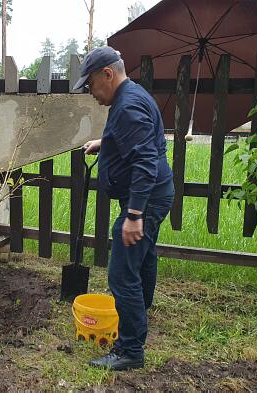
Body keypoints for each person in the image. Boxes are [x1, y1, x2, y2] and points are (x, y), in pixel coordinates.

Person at [75, 47, 174, 370]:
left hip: (145, 198)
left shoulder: (128, 105)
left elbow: (145, 160)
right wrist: (105, 143)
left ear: (108, 74)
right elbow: (144, 139)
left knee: (121, 273)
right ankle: (139, 318)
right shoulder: (133, 96)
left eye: (90, 84)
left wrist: (134, 215)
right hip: (155, 194)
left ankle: (130, 349)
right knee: (142, 261)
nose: (90, 93)